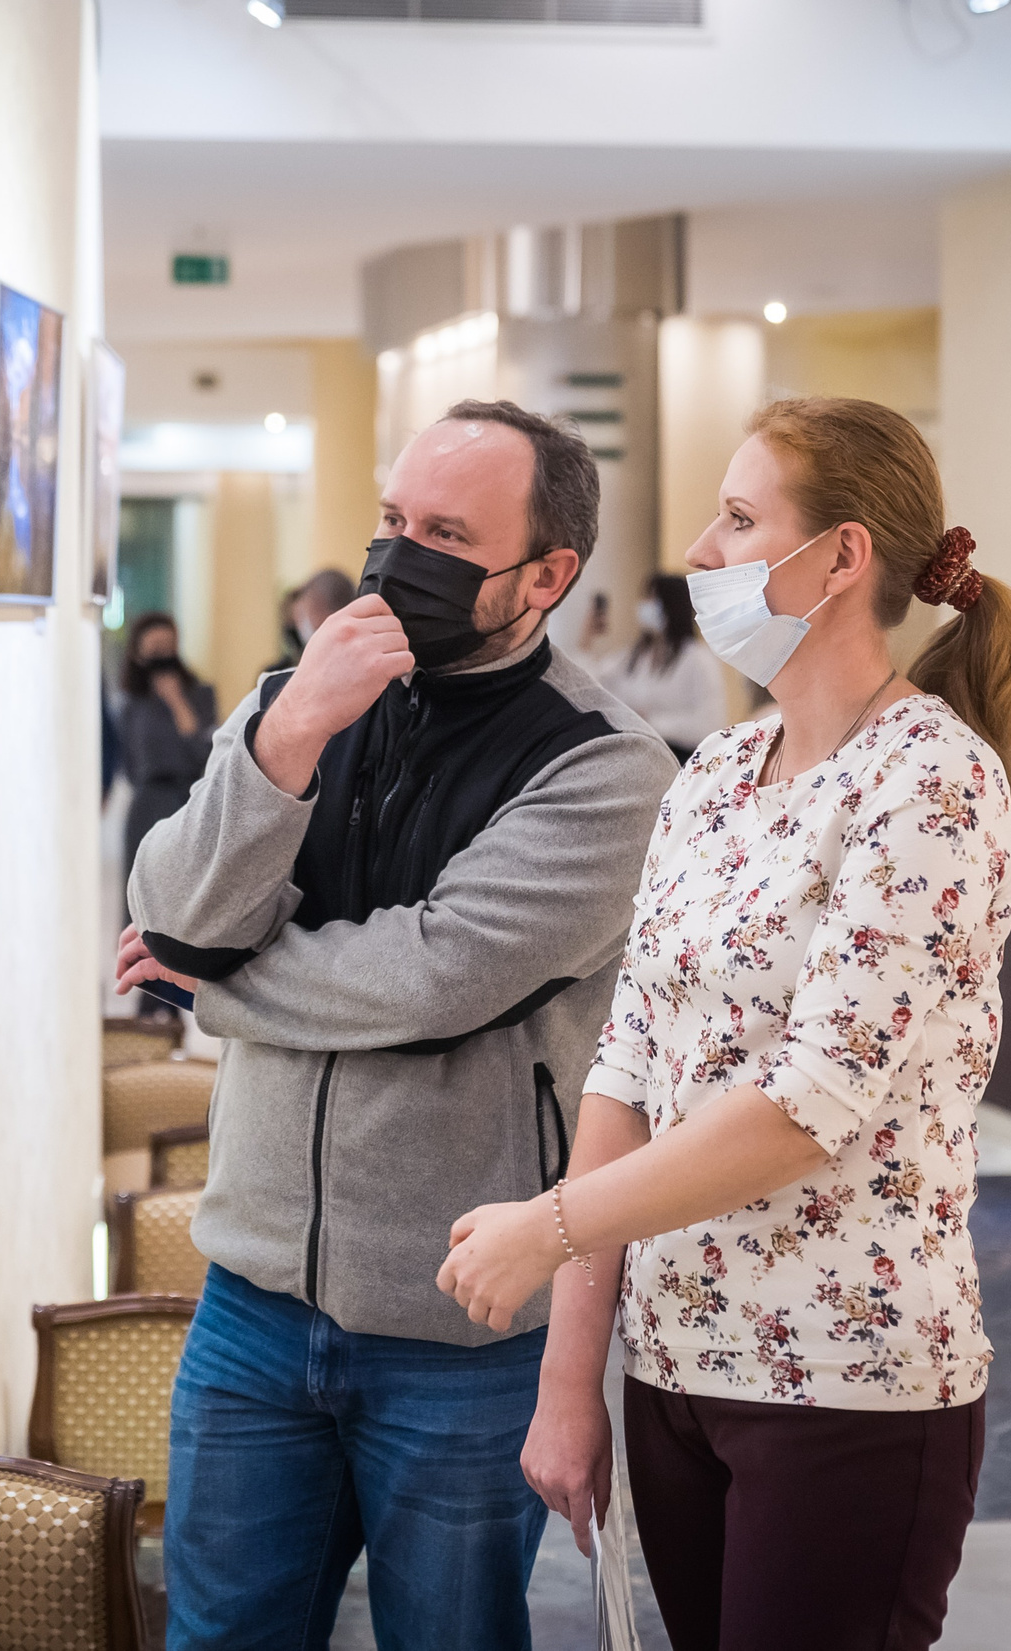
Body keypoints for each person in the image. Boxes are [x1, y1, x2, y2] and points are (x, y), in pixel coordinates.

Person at [434, 396, 1011, 1651]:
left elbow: (806, 1106)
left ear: (840, 556)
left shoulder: (929, 779)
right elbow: (626, 1066)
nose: (700, 553)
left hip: (844, 1378)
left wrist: (545, 1229)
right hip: (676, 1366)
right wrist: (569, 1380)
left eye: (736, 519)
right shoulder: (714, 774)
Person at [116, 400, 678, 1650]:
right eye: (391, 520)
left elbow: (428, 981)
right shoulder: (298, 697)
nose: (397, 558)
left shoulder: (606, 768)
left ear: (545, 575)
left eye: (445, 536)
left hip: (461, 1327)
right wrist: (289, 733)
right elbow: (172, 907)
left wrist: (211, 988)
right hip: (253, 1300)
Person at [118, 612, 218, 932]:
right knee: (141, 897)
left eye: (168, 646)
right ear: (138, 654)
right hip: (147, 804)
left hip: (189, 801)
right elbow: (131, 766)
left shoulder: (201, 694)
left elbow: (206, 753)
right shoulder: (132, 704)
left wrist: (177, 703)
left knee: (187, 895)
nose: (162, 655)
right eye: (154, 649)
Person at [598, 572, 729, 761]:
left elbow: (709, 724)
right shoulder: (634, 656)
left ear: (672, 605)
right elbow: (598, 683)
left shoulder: (698, 659)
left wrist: (651, 721)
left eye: (652, 599)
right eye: (645, 598)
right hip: (635, 753)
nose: (645, 605)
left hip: (679, 758)